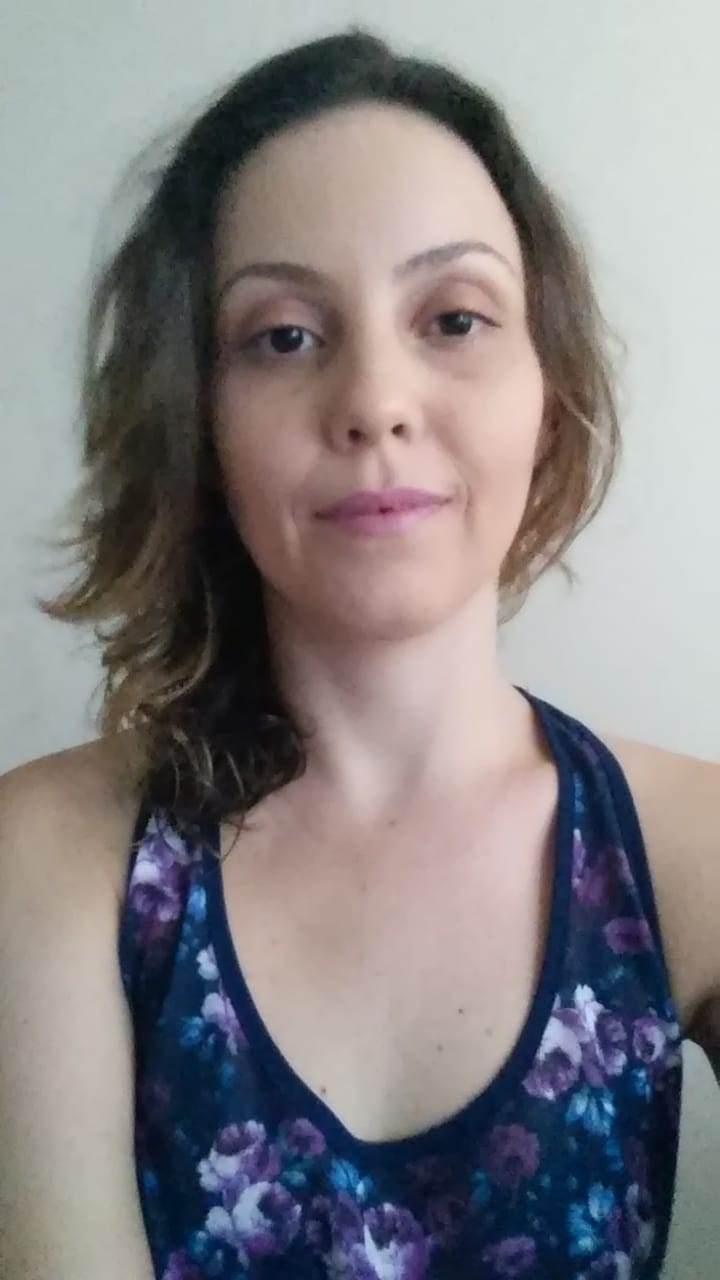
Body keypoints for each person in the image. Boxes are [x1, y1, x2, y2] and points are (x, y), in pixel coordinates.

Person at [0, 24, 717, 1280]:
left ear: (546, 396)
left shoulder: (692, 850)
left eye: (455, 317)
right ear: (197, 418)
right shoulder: (48, 860)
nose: (375, 400)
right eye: (283, 335)